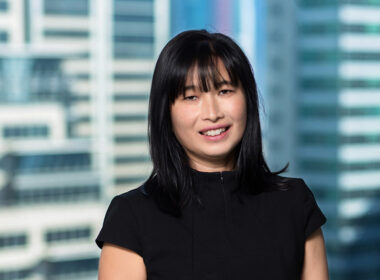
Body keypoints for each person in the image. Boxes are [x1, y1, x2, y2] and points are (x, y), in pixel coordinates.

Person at [95, 29, 329, 280]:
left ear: (247, 98)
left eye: (225, 91)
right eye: (191, 97)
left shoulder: (294, 203)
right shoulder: (132, 217)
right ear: (166, 113)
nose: (212, 112)